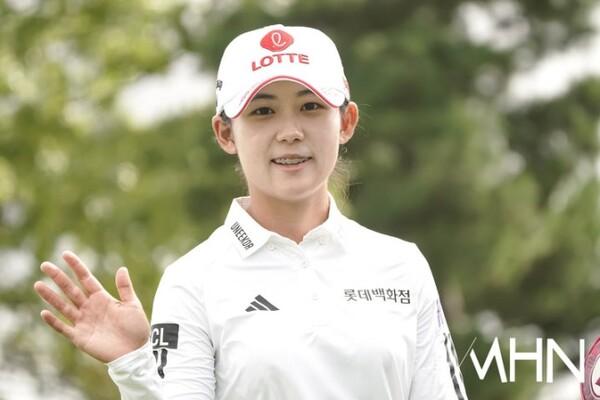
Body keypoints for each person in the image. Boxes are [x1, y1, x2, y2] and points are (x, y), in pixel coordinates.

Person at [34, 24, 469, 400]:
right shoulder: (193, 281)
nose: (290, 131)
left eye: (310, 106)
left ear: (346, 122)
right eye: (263, 111)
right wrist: (136, 367)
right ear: (225, 133)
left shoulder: (402, 266)